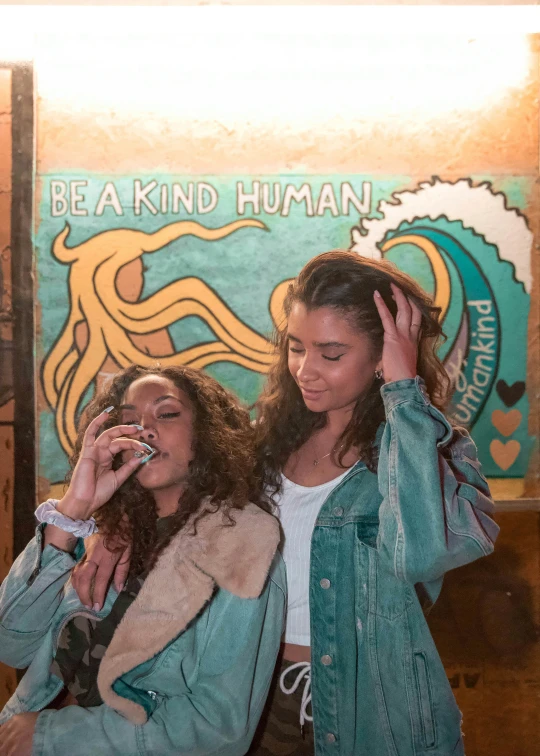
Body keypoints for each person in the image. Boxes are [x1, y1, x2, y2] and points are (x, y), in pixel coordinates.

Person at [66, 250, 499, 755]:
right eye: (296, 348)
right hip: (251, 697)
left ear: (386, 354)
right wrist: (112, 529)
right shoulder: (261, 448)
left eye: (331, 354)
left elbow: (422, 553)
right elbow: (179, 514)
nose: (305, 370)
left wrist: (403, 392)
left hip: (369, 712)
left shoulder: (432, 454)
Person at [0, 365, 286, 756]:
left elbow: (217, 727)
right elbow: (11, 645)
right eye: (129, 421)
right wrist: (70, 514)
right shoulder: (102, 531)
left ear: (206, 432)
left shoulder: (243, 543)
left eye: (166, 414)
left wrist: (53, 736)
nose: (145, 430)